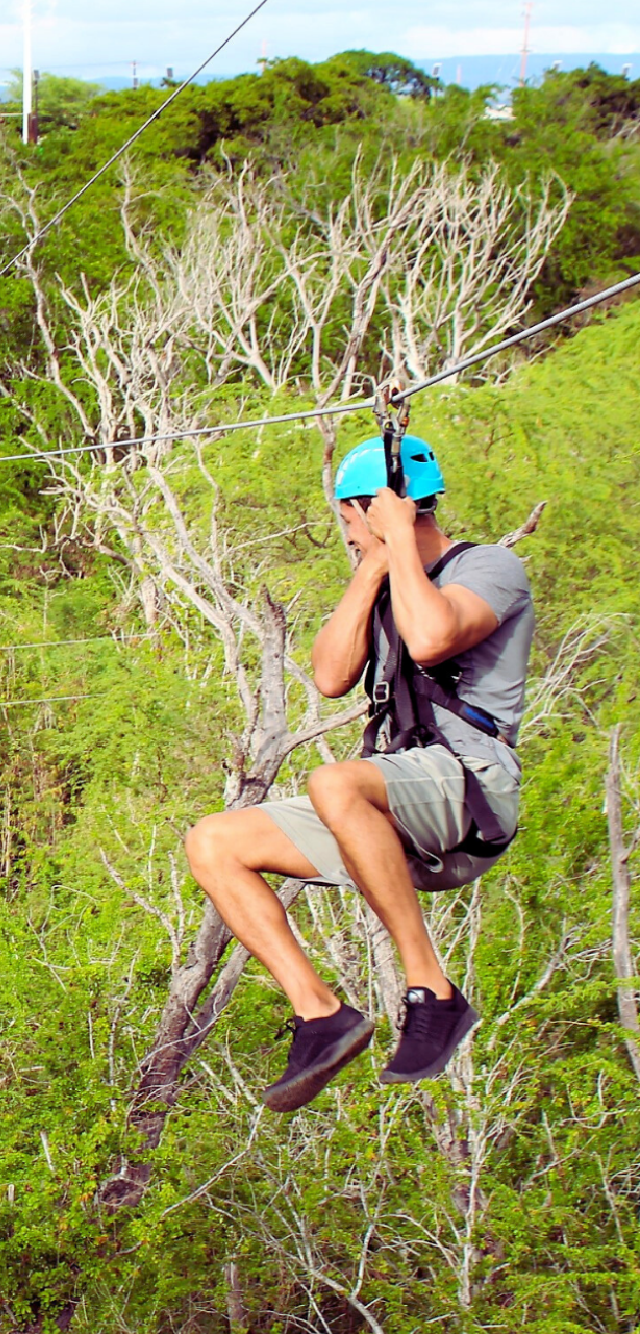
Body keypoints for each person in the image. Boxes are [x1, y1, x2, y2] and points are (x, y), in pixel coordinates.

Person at [184, 434, 533, 1112]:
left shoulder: (490, 567)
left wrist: (397, 543)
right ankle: (322, 1016)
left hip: (472, 788)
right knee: (213, 842)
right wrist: (372, 569)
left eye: (349, 520)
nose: (347, 535)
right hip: (393, 803)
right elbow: (329, 676)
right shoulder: (382, 583)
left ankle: (432, 991)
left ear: (376, 509)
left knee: (337, 780)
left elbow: (433, 639)